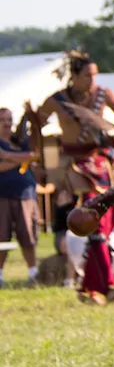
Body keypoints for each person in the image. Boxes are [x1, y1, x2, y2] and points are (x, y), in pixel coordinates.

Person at [30, 51, 114, 303]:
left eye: (94, 75)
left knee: (102, 223)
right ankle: (106, 284)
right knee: (92, 218)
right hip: (73, 168)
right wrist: (45, 163)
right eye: (87, 76)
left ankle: (89, 288)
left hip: (101, 164)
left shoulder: (103, 94)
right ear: (73, 76)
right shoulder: (57, 100)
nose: (92, 80)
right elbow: (36, 128)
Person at [0, 107, 40, 286]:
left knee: (27, 235)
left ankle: (33, 273)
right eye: (2, 120)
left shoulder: (20, 141)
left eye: (9, 119)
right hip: (2, 195)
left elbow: (34, 156)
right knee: (1, 236)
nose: (7, 123)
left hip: (26, 194)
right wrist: (23, 159)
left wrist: (6, 156)